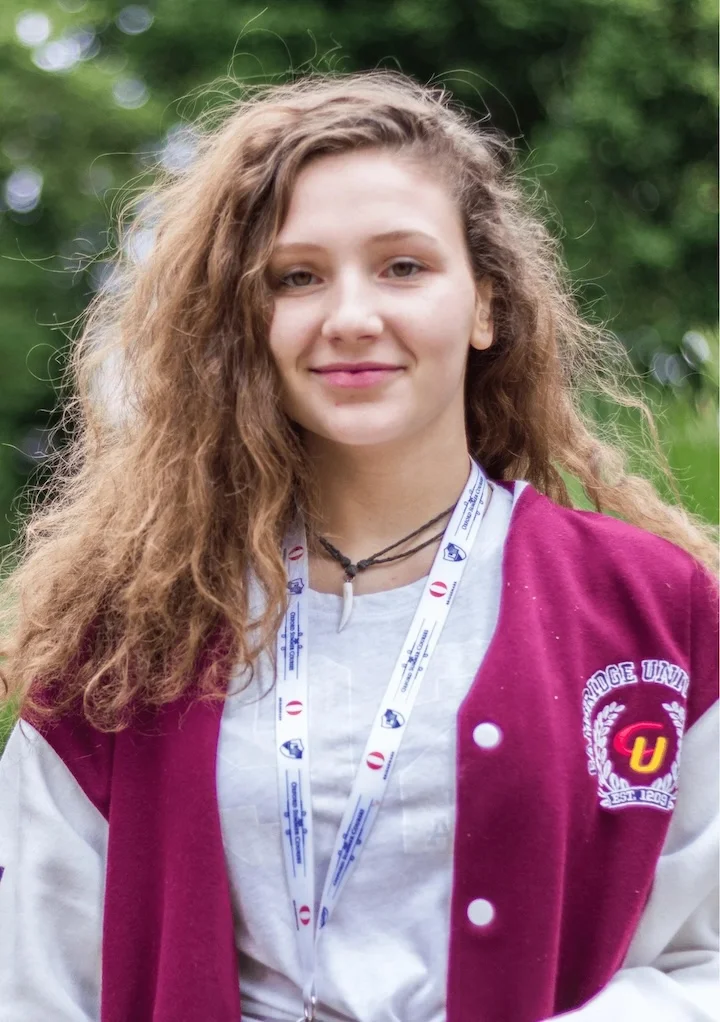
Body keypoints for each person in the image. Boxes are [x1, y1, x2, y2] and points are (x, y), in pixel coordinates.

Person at [0, 69, 717, 1022]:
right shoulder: (126, 635)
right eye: (297, 278)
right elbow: (36, 979)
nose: (349, 317)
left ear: (487, 306)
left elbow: (705, 959)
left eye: (403, 267)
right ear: (246, 324)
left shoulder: (649, 611)